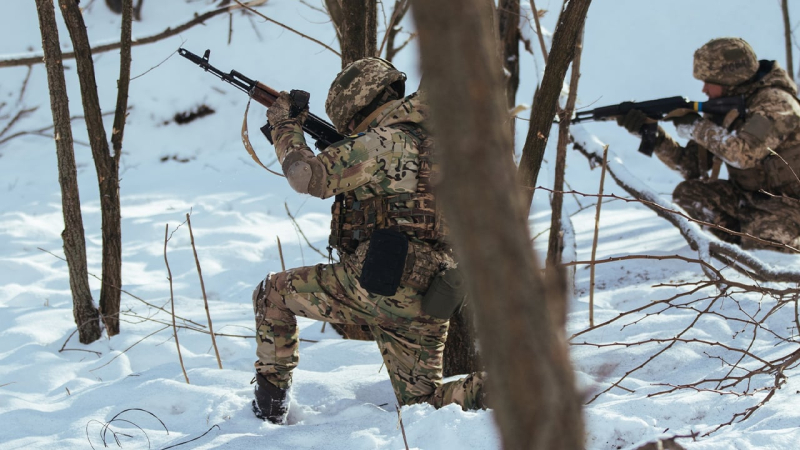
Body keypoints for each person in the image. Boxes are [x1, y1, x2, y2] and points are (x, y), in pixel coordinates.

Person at [250, 57, 487, 424]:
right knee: (423, 405)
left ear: (355, 105)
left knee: (273, 294)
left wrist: (284, 126)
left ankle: (266, 414)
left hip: (376, 282)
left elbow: (304, 176)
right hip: (433, 292)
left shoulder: (382, 141)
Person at [618, 37, 800, 251]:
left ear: (730, 78)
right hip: (751, 200)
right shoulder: (726, 108)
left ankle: (758, 248)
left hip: (792, 204)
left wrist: (697, 126)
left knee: (765, 232)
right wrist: (653, 136)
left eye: (709, 81)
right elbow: (691, 166)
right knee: (690, 194)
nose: (704, 89)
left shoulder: (776, 103)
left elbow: (743, 154)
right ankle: (736, 247)